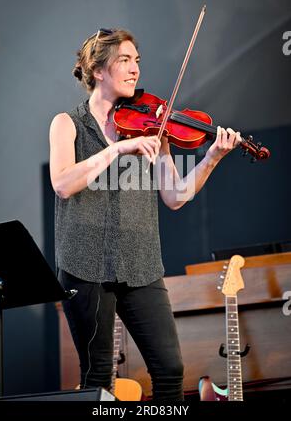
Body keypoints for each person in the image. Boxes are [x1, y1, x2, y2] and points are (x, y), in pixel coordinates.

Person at [49, 28, 241, 402]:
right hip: (84, 266)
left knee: (170, 369)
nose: (135, 69)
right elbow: (63, 183)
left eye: (137, 60)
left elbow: (175, 196)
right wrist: (119, 151)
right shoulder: (67, 124)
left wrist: (211, 158)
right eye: (124, 60)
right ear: (98, 69)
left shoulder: (153, 126)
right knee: (97, 376)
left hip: (140, 264)